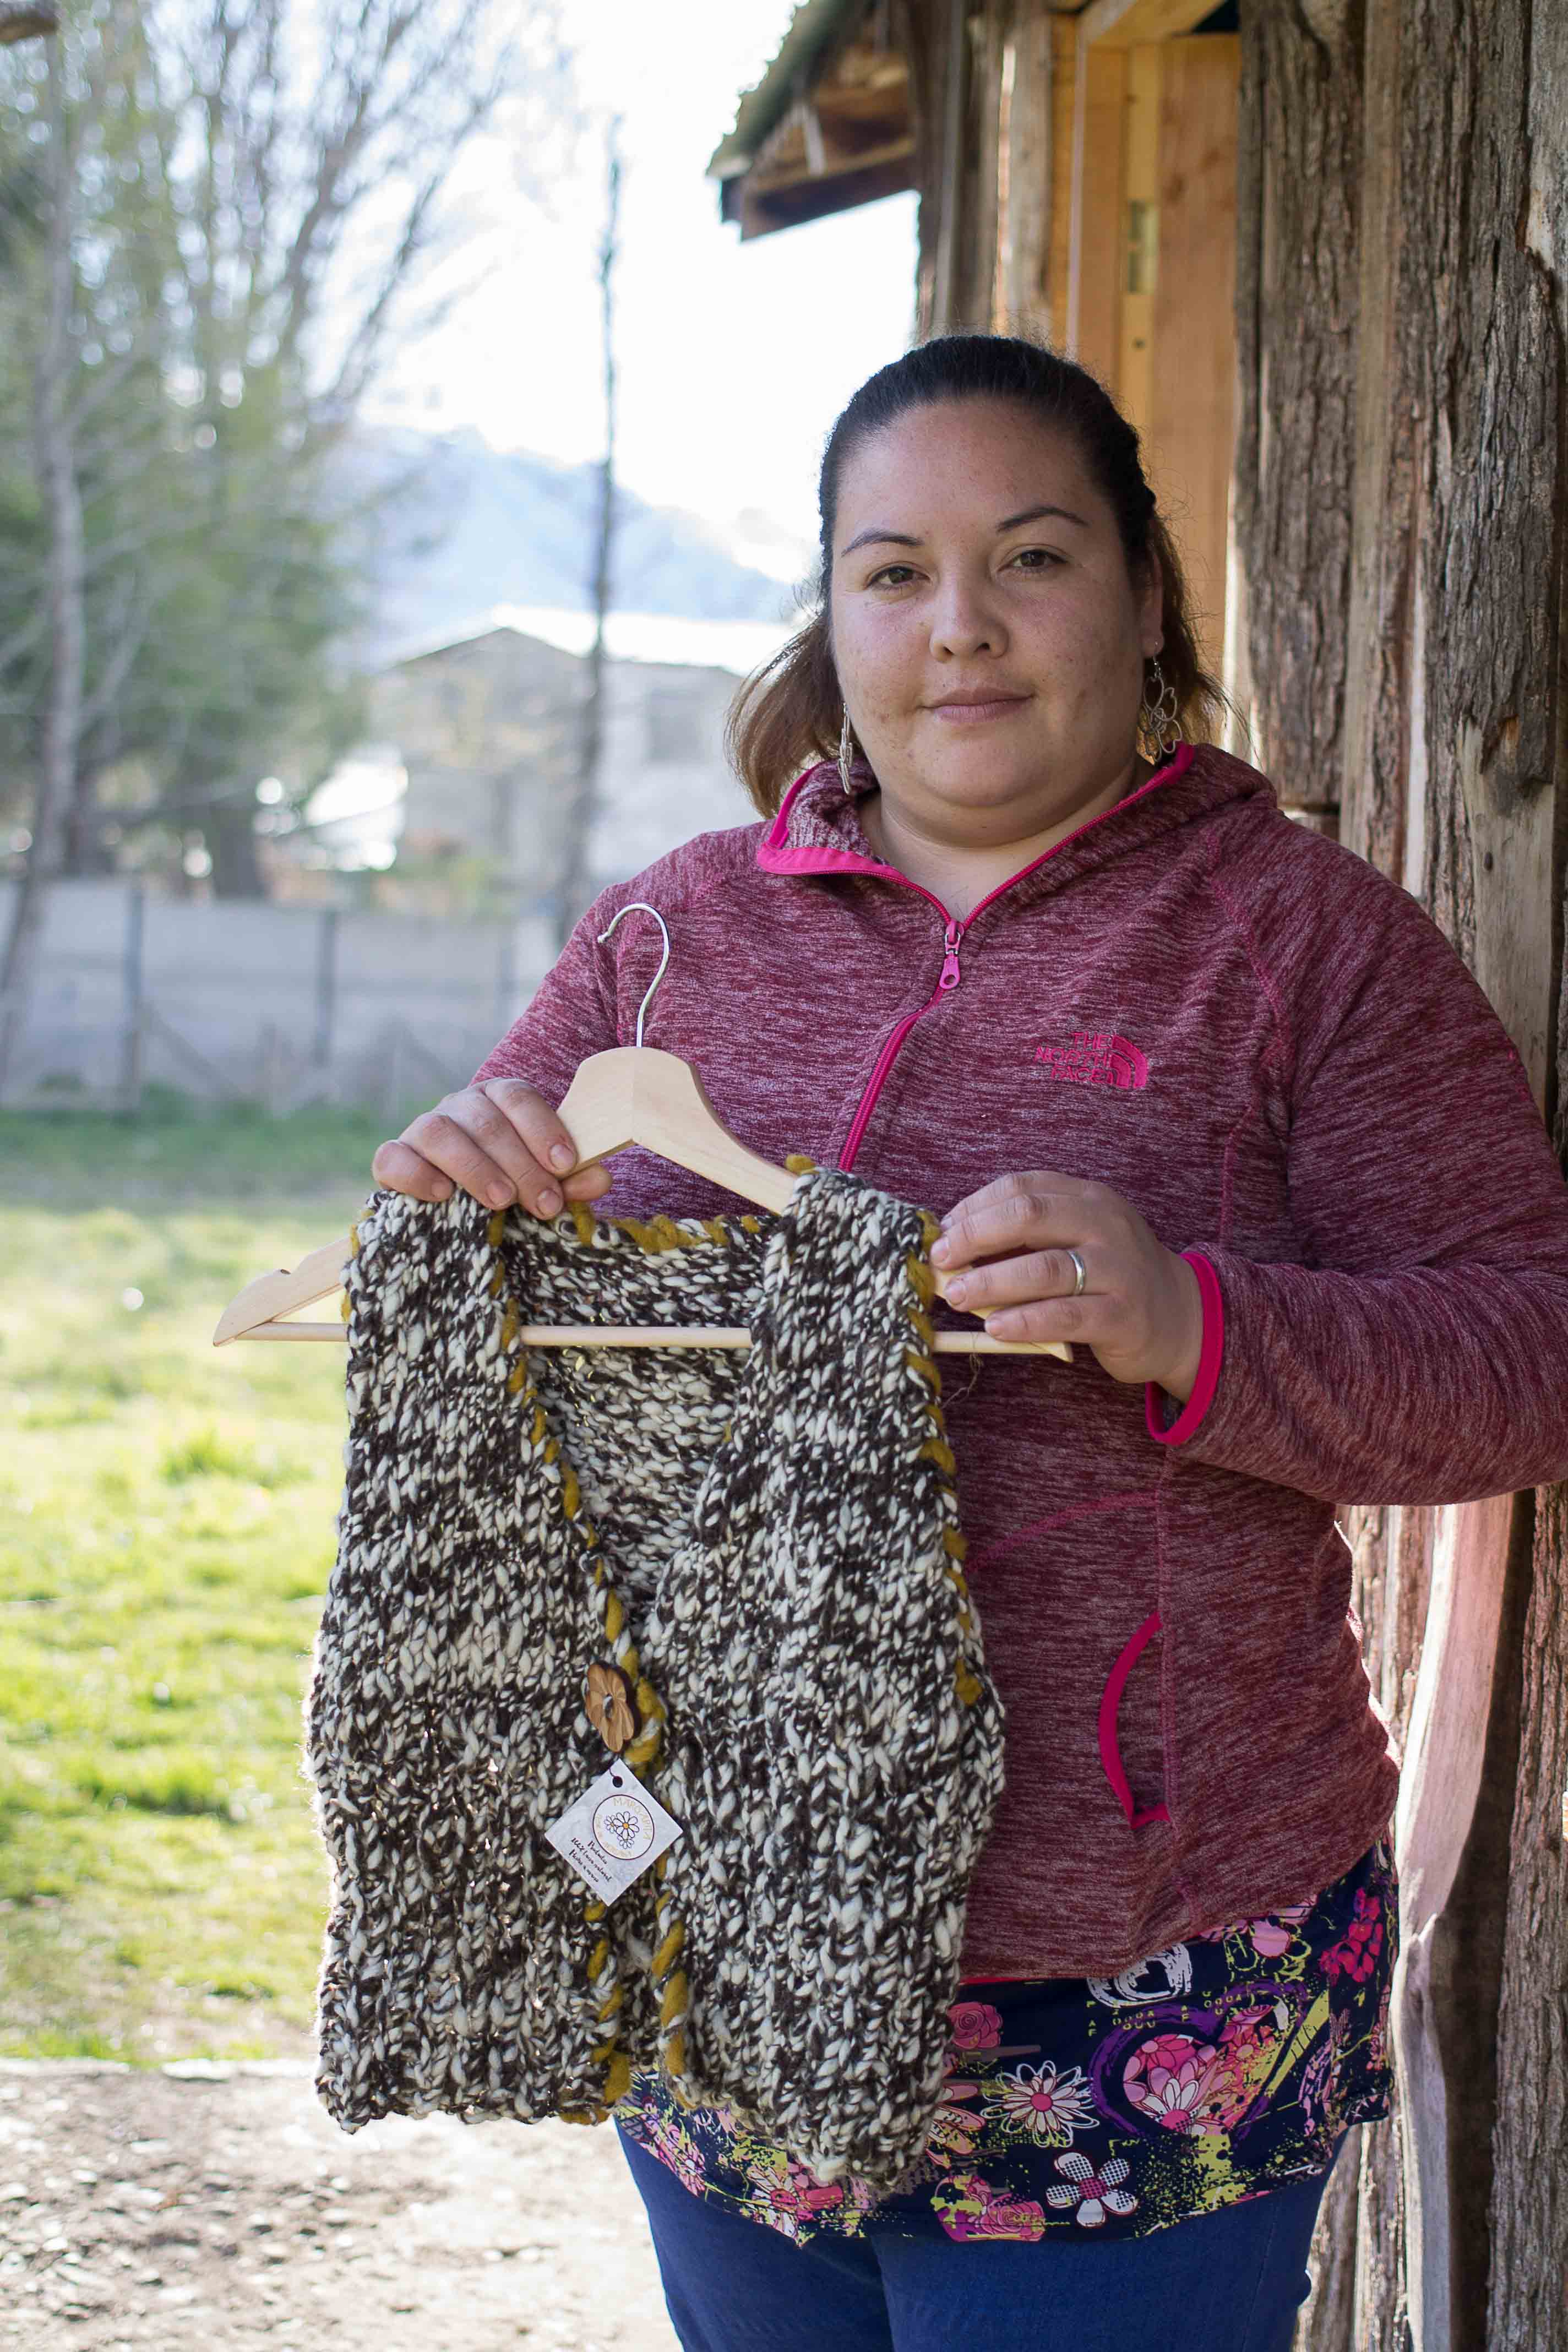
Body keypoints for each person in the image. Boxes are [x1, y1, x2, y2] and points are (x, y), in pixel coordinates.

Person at [369, 336, 1568, 2352]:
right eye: (894, 572)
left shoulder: (1306, 944)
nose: (961, 629)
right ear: (833, 615)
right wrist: (462, 1193)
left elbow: (1526, 1356)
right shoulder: (670, 935)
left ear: (1145, 592)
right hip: (722, 1920)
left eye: (1031, 557)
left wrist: (1194, 1319)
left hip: (1139, 1991)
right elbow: (516, 1308)